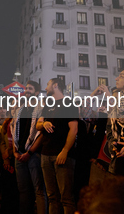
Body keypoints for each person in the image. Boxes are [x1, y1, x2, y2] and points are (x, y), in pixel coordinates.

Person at [36, 78, 78, 214]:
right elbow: (38, 125)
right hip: (45, 154)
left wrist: (65, 151)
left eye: (48, 84)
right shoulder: (48, 104)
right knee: (52, 196)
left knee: (66, 198)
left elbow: (74, 129)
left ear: (55, 85)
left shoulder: (69, 103)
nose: (46, 87)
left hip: (62, 155)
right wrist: (44, 124)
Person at [11, 80, 47, 214]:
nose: (27, 91)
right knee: (23, 190)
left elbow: (41, 134)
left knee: (39, 190)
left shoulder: (41, 109)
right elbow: (13, 129)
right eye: (26, 88)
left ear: (37, 92)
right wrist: (15, 151)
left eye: (30, 89)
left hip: (34, 155)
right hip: (19, 155)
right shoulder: (20, 109)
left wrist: (30, 153)